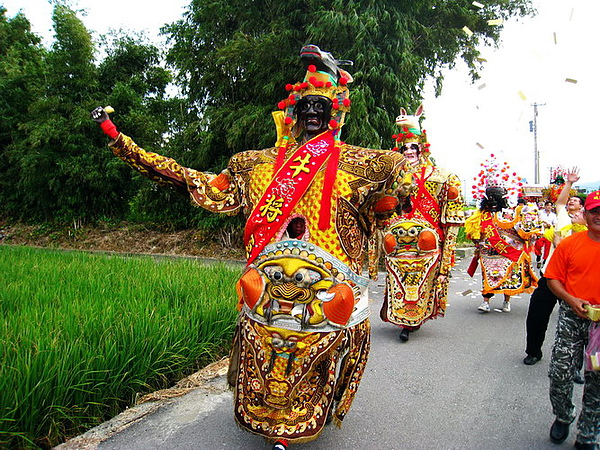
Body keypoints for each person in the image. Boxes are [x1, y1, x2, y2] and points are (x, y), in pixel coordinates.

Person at [92, 45, 409, 449]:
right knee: (269, 356)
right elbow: (191, 180)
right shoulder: (254, 165)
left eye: (321, 106)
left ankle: (298, 425)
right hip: (267, 284)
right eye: (305, 106)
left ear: (336, 113)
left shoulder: (366, 165)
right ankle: (273, 426)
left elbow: (402, 189)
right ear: (292, 113)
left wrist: (390, 197)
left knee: (313, 358)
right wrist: (121, 142)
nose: (312, 113)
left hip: (328, 290)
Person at [376, 105, 465, 342]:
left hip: (427, 241)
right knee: (398, 279)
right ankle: (403, 319)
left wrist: (447, 255)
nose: (408, 152)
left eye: (413, 147)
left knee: (421, 282)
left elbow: (453, 218)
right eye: (404, 148)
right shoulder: (392, 178)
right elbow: (382, 210)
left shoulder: (444, 176)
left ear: (422, 148)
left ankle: (412, 321)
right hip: (397, 242)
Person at [544, 190, 600, 449]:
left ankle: (588, 432)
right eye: (595, 211)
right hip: (572, 315)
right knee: (560, 372)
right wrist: (570, 299)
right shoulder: (570, 243)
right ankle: (564, 415)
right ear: (585, 215)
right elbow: (552, 278)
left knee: (598, 378)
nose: (598, 216)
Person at [524, 168, 586, 367]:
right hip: (550, 277)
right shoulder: (563, 219)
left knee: (578, 325)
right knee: (536, 316)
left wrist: (563, 247)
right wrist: (569, 183)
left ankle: (576, 364)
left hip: (574, 283)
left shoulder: (589, 232)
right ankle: (533, 351)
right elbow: (560, 202)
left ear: (585, 212)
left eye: (576, 202)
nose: (571, 203)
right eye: (571, 201)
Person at [465, 184, 540, 313]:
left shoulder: (512, 213)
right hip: (488, 252)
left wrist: (530, 232)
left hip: (509, 251)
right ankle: (486, 302)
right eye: (491, 197)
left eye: (496, 197)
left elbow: (523, 231)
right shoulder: (481, 214)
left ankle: (506, 301)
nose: (493, 201)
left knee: (509, 277)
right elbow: (474, 232)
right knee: (488, 276)